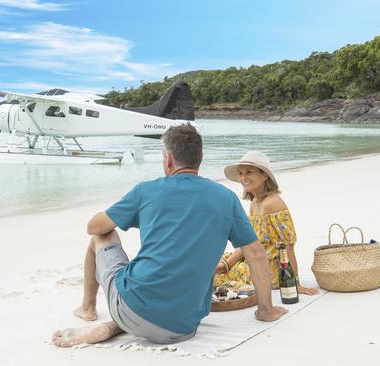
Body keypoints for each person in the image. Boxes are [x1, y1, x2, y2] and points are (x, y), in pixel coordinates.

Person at [51, 124, 287, 348]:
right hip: (183, 326)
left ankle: (88, 308)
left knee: (102, 236)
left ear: (169, 159)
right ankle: (117, 325)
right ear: (199, 159)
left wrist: (125, 212)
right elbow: (256, 254)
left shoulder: (146, 190)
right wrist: (266, 310)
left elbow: (94, 227)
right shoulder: (226, 198)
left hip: (132, 308)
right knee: (165, 293)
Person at [214, 151, 319, 295]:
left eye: (249, 172)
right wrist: (226, 264)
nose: (243, 177)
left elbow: (288, 246)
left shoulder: (272, 204)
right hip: (254, 258)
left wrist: (295, 284)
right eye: (240, 173)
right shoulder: (255, 203)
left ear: (264, 175)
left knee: (216, 275)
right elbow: (248, 242)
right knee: (215, 259)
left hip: (270, 270)